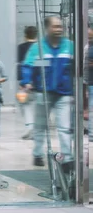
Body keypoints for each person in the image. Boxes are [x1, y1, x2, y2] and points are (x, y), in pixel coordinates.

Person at [21, 16, 73, 168]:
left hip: (64, 93)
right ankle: (37, 154)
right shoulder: (38, 48)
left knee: (64, 127)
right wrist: (27, 81)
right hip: (43, 92)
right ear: (47, 28)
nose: (59, 29)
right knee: (40, 126)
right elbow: (28, 66)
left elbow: (77, 66)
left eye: (60, 26)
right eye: (55, 26)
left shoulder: (69, 46)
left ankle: (67, 158)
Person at [17, 26, 38, 139]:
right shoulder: (40, 47)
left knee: (24, 103)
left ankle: (29, 125)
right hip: (38, 82)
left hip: (25, 82)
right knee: (36, 104)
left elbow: (20, 65)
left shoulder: (20, 48)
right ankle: (33, 127)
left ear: (25, 35)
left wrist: (23, 82)